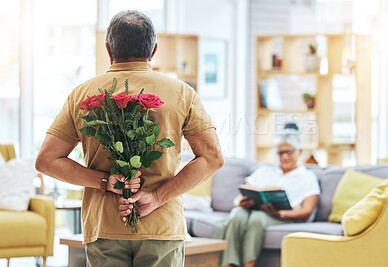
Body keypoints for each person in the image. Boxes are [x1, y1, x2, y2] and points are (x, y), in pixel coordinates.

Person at [35, 10, 223, 267]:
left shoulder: (82, 94)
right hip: (162, 227)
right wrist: (156, 198)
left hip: (103, 226)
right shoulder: (182, 93)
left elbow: (47, 160)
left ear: (108, 49)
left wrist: (104, 181)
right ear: (153, 50)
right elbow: (212, 158)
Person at [215, 123, 320, 267]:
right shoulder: (264, 171)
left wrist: (279, 212)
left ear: (299, 151)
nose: (284, 157)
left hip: (284, 217)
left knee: (257, 218)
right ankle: (229, 264)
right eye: (280, 153)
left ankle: (248, 264)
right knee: (237, 213)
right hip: (256, 210)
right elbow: (241, 194)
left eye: (289, 152)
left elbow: (307, 211)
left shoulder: (308, 177)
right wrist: (239, 202)